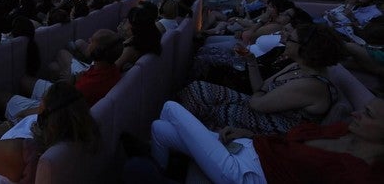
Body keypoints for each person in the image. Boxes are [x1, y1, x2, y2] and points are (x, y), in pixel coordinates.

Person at [150, 98, 384, 183]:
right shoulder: (342, 131)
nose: (356, 113)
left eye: (368, 115)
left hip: (245, 174)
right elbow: (289, 140)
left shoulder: (360, 174)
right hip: (251, 148)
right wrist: (251, 135)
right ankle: (162, 171)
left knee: (170, 107)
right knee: (158, 128)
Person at [177, 23, 344, 134]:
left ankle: (183, 133)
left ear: (305, 49)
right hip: (260, 108)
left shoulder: (311, 85)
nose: (284, 39)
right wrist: (251, 61)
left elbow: (257, 103)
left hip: (269, 126)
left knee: (200, 98)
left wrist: (261, 94)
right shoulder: (296, 67)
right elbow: (259, 89)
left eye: (290, 38)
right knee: (197, 88)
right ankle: (183, 129)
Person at [0, 82, 99, 184]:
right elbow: (25, 115)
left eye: (43, 99)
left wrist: (6, 125)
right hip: (1, 136)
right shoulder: (73, 135)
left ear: (46, 116)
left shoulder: (22, 152)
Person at [2, 29, 123, 122]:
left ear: (98, 52)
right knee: (29, 78)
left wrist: (24, 114)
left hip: (55, 107)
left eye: (92, 41)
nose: (89, 39)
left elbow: (52, 107)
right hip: (64, 94)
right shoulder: (110, 70)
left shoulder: (87, 87)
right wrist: (73, 80)